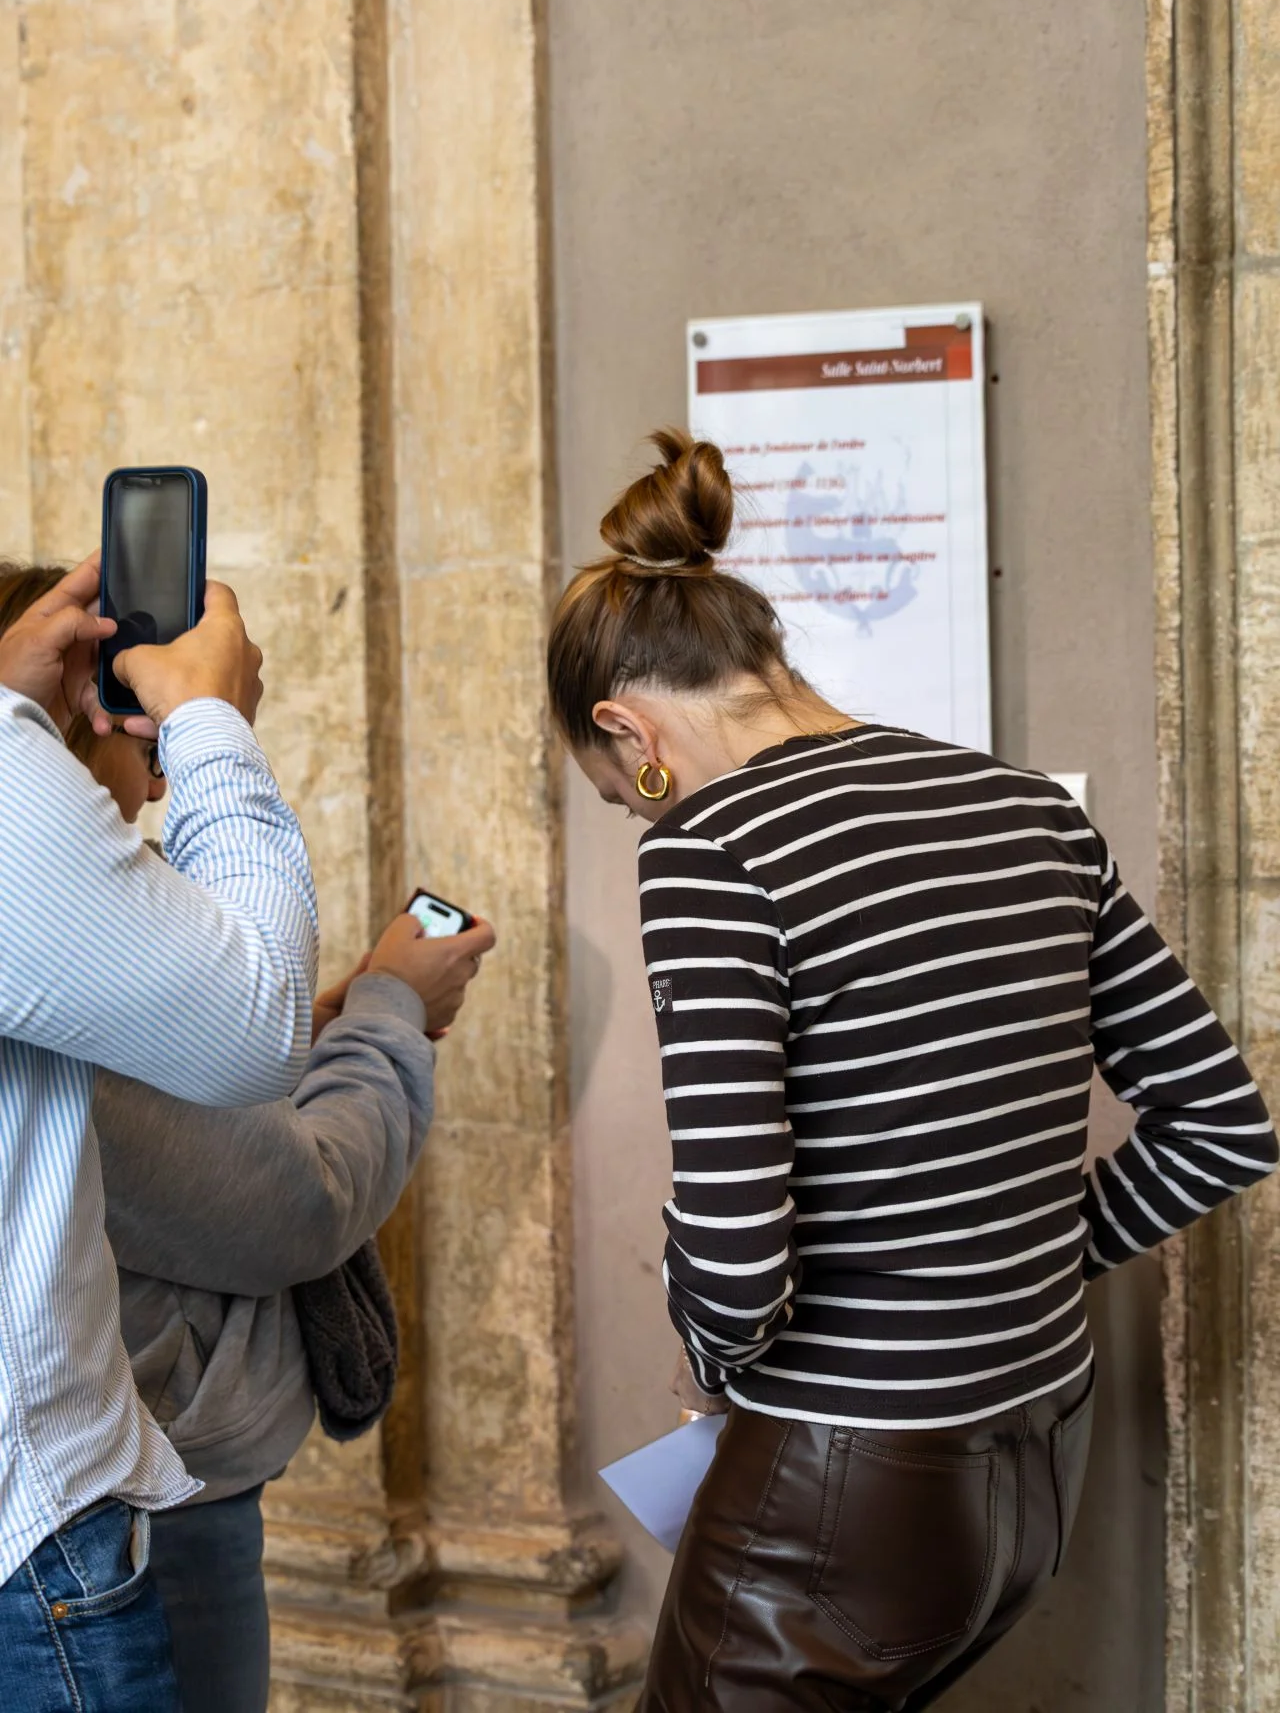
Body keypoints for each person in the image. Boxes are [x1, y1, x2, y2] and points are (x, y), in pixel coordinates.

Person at [547, 430, 1279, 1712]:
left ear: (627, 728)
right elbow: (1220, 1124)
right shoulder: (1024, 807)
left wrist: (708, 1363)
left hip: (842, 1489)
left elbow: (732, 1257)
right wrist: (1020, 1255)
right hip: (1034, 1459)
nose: (644, 822)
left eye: (624, 794)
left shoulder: (711, 850)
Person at [0, 561, 496, 1713]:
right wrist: (387, 1013)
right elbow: (296, 1200)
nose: (150, 755)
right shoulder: (49, 914)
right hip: (127, 1498)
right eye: (118, 710)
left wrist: (326, 1023)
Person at [0, 554, 319, 1711]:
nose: (137, 800)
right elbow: (258, 1038)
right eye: (135, 763)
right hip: (25, 1547)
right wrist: (209, 727)